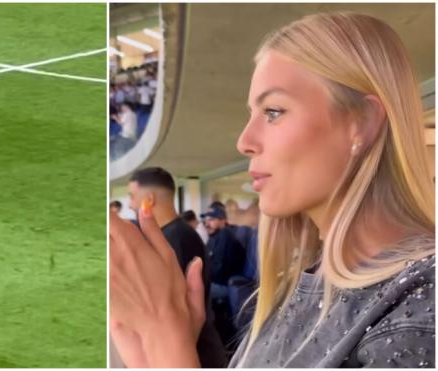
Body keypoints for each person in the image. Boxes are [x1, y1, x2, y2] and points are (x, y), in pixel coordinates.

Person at [109, 12, 434, 368]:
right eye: (253, 113)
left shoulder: (421, 308)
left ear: (361, 123)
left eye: (274, 111)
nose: (244, 141)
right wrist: (157, 346)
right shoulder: (298, 285)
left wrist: (164, 342)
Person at [123, 167, 227, 367]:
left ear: (149, 199)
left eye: (132, 196)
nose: (130, 204)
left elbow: (168, 309)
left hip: (194, 354)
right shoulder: (172, 235)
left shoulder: (177, 239)